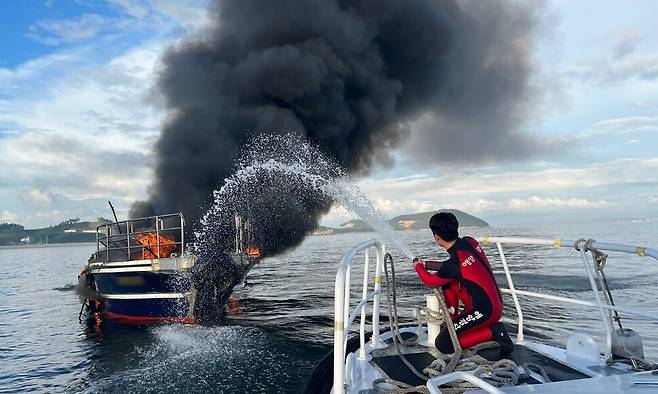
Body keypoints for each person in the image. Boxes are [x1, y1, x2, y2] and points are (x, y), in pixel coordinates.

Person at [413, 212, 513, 354]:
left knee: (444, 344)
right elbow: (457, 268)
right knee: (448, 282)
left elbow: (430, 281)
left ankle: (494, 332)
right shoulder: (470, 241)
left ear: (437, 237)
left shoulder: (453, 265)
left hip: (485, 312)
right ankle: (453, 318)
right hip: (496, 303)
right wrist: (427, 264)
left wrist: (418, 266)